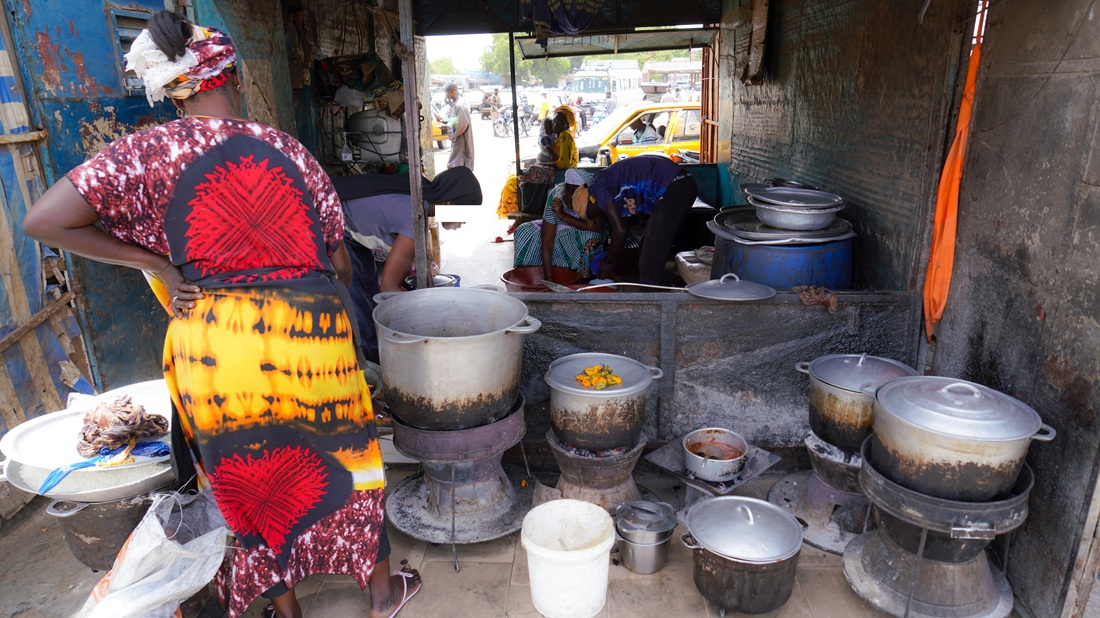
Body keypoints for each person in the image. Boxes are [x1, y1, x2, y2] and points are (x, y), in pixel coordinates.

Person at [20, 12, 420, 618]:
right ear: (228, 74)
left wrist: (155, 263)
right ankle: (383, 592)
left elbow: (42, 220)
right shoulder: (285, 149)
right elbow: (338, 261)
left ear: (174, 90)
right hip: (309, 338)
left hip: (216, 342)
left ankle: (287, 612)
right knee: (348, 459)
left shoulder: (144, 152)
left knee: (251, 476)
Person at [333, 168, 482, 362]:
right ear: (449, 204)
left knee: (371, 294)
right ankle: (372, 368)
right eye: (465, 214)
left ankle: (376, 354)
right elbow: (388, 287)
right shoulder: (413, 216)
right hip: (330, 222)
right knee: (357, 305)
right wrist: (429, 318)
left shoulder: (421, 197)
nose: (463, 223)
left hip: (350, 228)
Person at [586, 155, 698, 284]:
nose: (600, 218)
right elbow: (621, 232)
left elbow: (620, 231)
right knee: (646, 248)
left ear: (591, 204)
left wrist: (608, 262)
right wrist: (610, 259)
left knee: (650, 255)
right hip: (678, 184)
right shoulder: (610, 190)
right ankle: (648, 290)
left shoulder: (597, 188)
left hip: (675, 186)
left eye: (592, 216)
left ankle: (650, 301)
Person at [513, 168, 606, 279]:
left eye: (574, 200)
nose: (570, 203)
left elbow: (597, 227)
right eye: (568, 198)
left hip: (583, 230)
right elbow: (547, 241)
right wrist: (548, 278)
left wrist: (563, 215)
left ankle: (579, 278)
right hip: (559, 228)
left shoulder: (591, 197)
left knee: (589, 238)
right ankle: (527, 275)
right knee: (523, 231)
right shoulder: (556, 196)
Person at [444, 82, 474, 170]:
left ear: (452, 92)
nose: (446, 94)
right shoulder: (456, 104)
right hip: (457, 139)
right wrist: (445, 123)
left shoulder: (460, 105)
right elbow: (455, 120)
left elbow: (462, 124)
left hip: (461, 140)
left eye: (446, 92)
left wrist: (451, 131)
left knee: (457, 165)